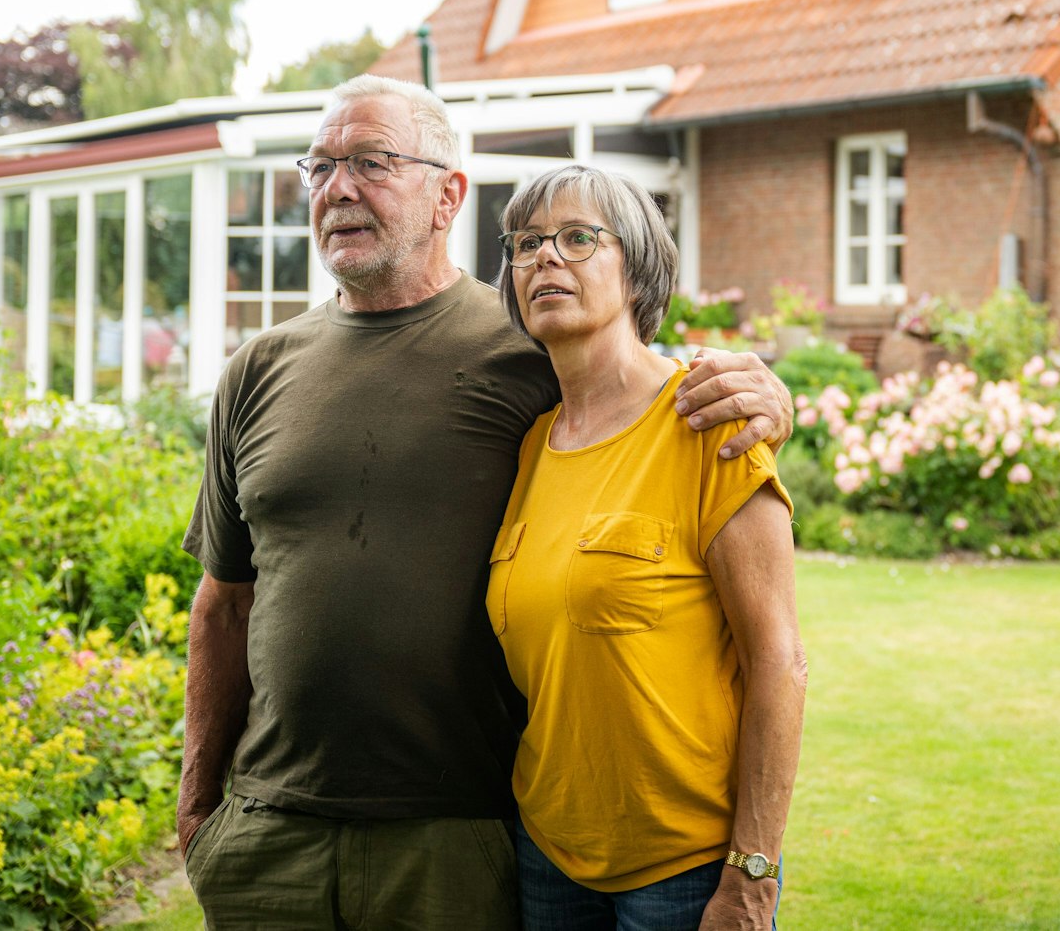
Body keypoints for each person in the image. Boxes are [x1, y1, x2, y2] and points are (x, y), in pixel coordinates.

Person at [177, 76, 791, 930]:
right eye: (319, 167)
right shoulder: (257, 368)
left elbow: (636, 384)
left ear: (448, 195)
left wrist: (761, 391)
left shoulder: (527, 351)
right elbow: (223, 603)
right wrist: (197, 807)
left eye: (371, 161)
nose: (338, 188)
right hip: (272, 828)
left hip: (453, 830)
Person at [490, 165, 807, 931]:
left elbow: (779, 661)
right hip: (550, 854)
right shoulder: (532, 445)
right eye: (527, 243)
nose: (545, 259)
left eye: (576, 237)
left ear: (636, 268)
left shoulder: (710, 421)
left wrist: (753, 872)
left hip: (684, 870)